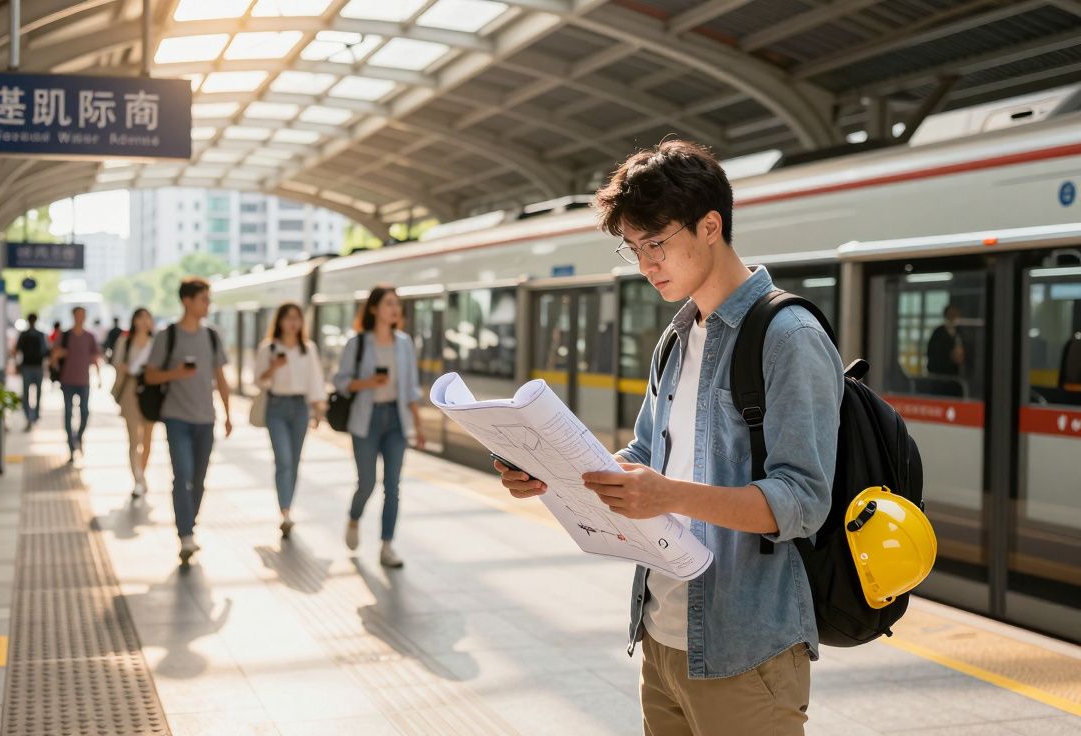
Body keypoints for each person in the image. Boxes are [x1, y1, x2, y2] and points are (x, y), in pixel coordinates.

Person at [495, 140, 842, 735]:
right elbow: (646, 458)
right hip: (661, 635)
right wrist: (548, 471)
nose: (646, 263)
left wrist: (669, 496)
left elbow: (803, 502)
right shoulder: (677, 339)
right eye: (634, 248)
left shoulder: (788, 337)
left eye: (656, 243)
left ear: (711, 226)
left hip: (745, 648)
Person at [333, 285, 425, 569]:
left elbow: (410, 389)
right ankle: (354, 517)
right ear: (373, 309)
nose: (395, 309)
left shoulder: (404, 343)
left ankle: (387, 546)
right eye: (388, 303)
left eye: (397, 304)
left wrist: (418, 426)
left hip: (395, 420)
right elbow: (341, 382)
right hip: (366, 419)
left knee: (393, 486)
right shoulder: (357, 343)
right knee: (367, 483)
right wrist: (368, 383)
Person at [144, 278, 232, 563]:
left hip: (206, 419)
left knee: (199, 478)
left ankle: (189, 525)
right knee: (182, 476)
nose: (208, 304)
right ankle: (185, 534)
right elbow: (150, 375)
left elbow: (220, 377)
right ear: (187, 301)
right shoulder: (166, 336)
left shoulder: (212, 336)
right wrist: (176, 374)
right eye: (203, 299)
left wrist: (229, 414)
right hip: (176, 417)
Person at [254, 302, 327, 539]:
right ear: (280, 321)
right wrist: (273, 368)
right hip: (276, 407)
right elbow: (259, 381)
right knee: (283, 459)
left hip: (300, 408)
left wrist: (318, 410)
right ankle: (284, 511)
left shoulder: (308, 349)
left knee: (294, 461)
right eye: (288, 318)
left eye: (297, 318)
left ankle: (288, 507)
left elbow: (315, 380)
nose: (293, 323)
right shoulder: (269, 348)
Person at [112, 308, 155, 498]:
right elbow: (116, 363)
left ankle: (142, 473)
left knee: (147, 439)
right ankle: (138, 478)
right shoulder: (125, 342)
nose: (145, 322)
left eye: (148, 318)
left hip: (150, 394)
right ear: (135, 320)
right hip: (130, 392)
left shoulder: (155, 343)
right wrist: (125, 368)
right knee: (133, 440)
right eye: (141, 318)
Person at [51, 306, 102, 464]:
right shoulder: (65, 336)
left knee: (85, 412)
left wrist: (99, 377)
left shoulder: (89, 336)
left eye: (82, 315)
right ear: (73, 316)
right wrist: (58, 359)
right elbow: (54, 355)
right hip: (67, 380)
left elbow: (95, 357)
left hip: (84, 381)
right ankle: (71, 447)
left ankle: (78, 438)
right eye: (77, 315)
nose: (80, 317)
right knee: (68, 413)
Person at [14, 313, 49, 430]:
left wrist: (17, 364)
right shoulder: (40, 335)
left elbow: (17, 350)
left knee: (27, 394)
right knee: (37, 393)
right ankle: (34, 416)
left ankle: (30, 417)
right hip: (36, 367)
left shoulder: (24, 335)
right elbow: (45, 351)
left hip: (28, 366)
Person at [926, 305, 965, 376]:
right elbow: (932, 353)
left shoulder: (961, 332)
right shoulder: (938, 333)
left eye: (956, 315)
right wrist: (950, 355)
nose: (953, 317)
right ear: (946, 315)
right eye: (951, 315)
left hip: (956, 374)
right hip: (941, 374)